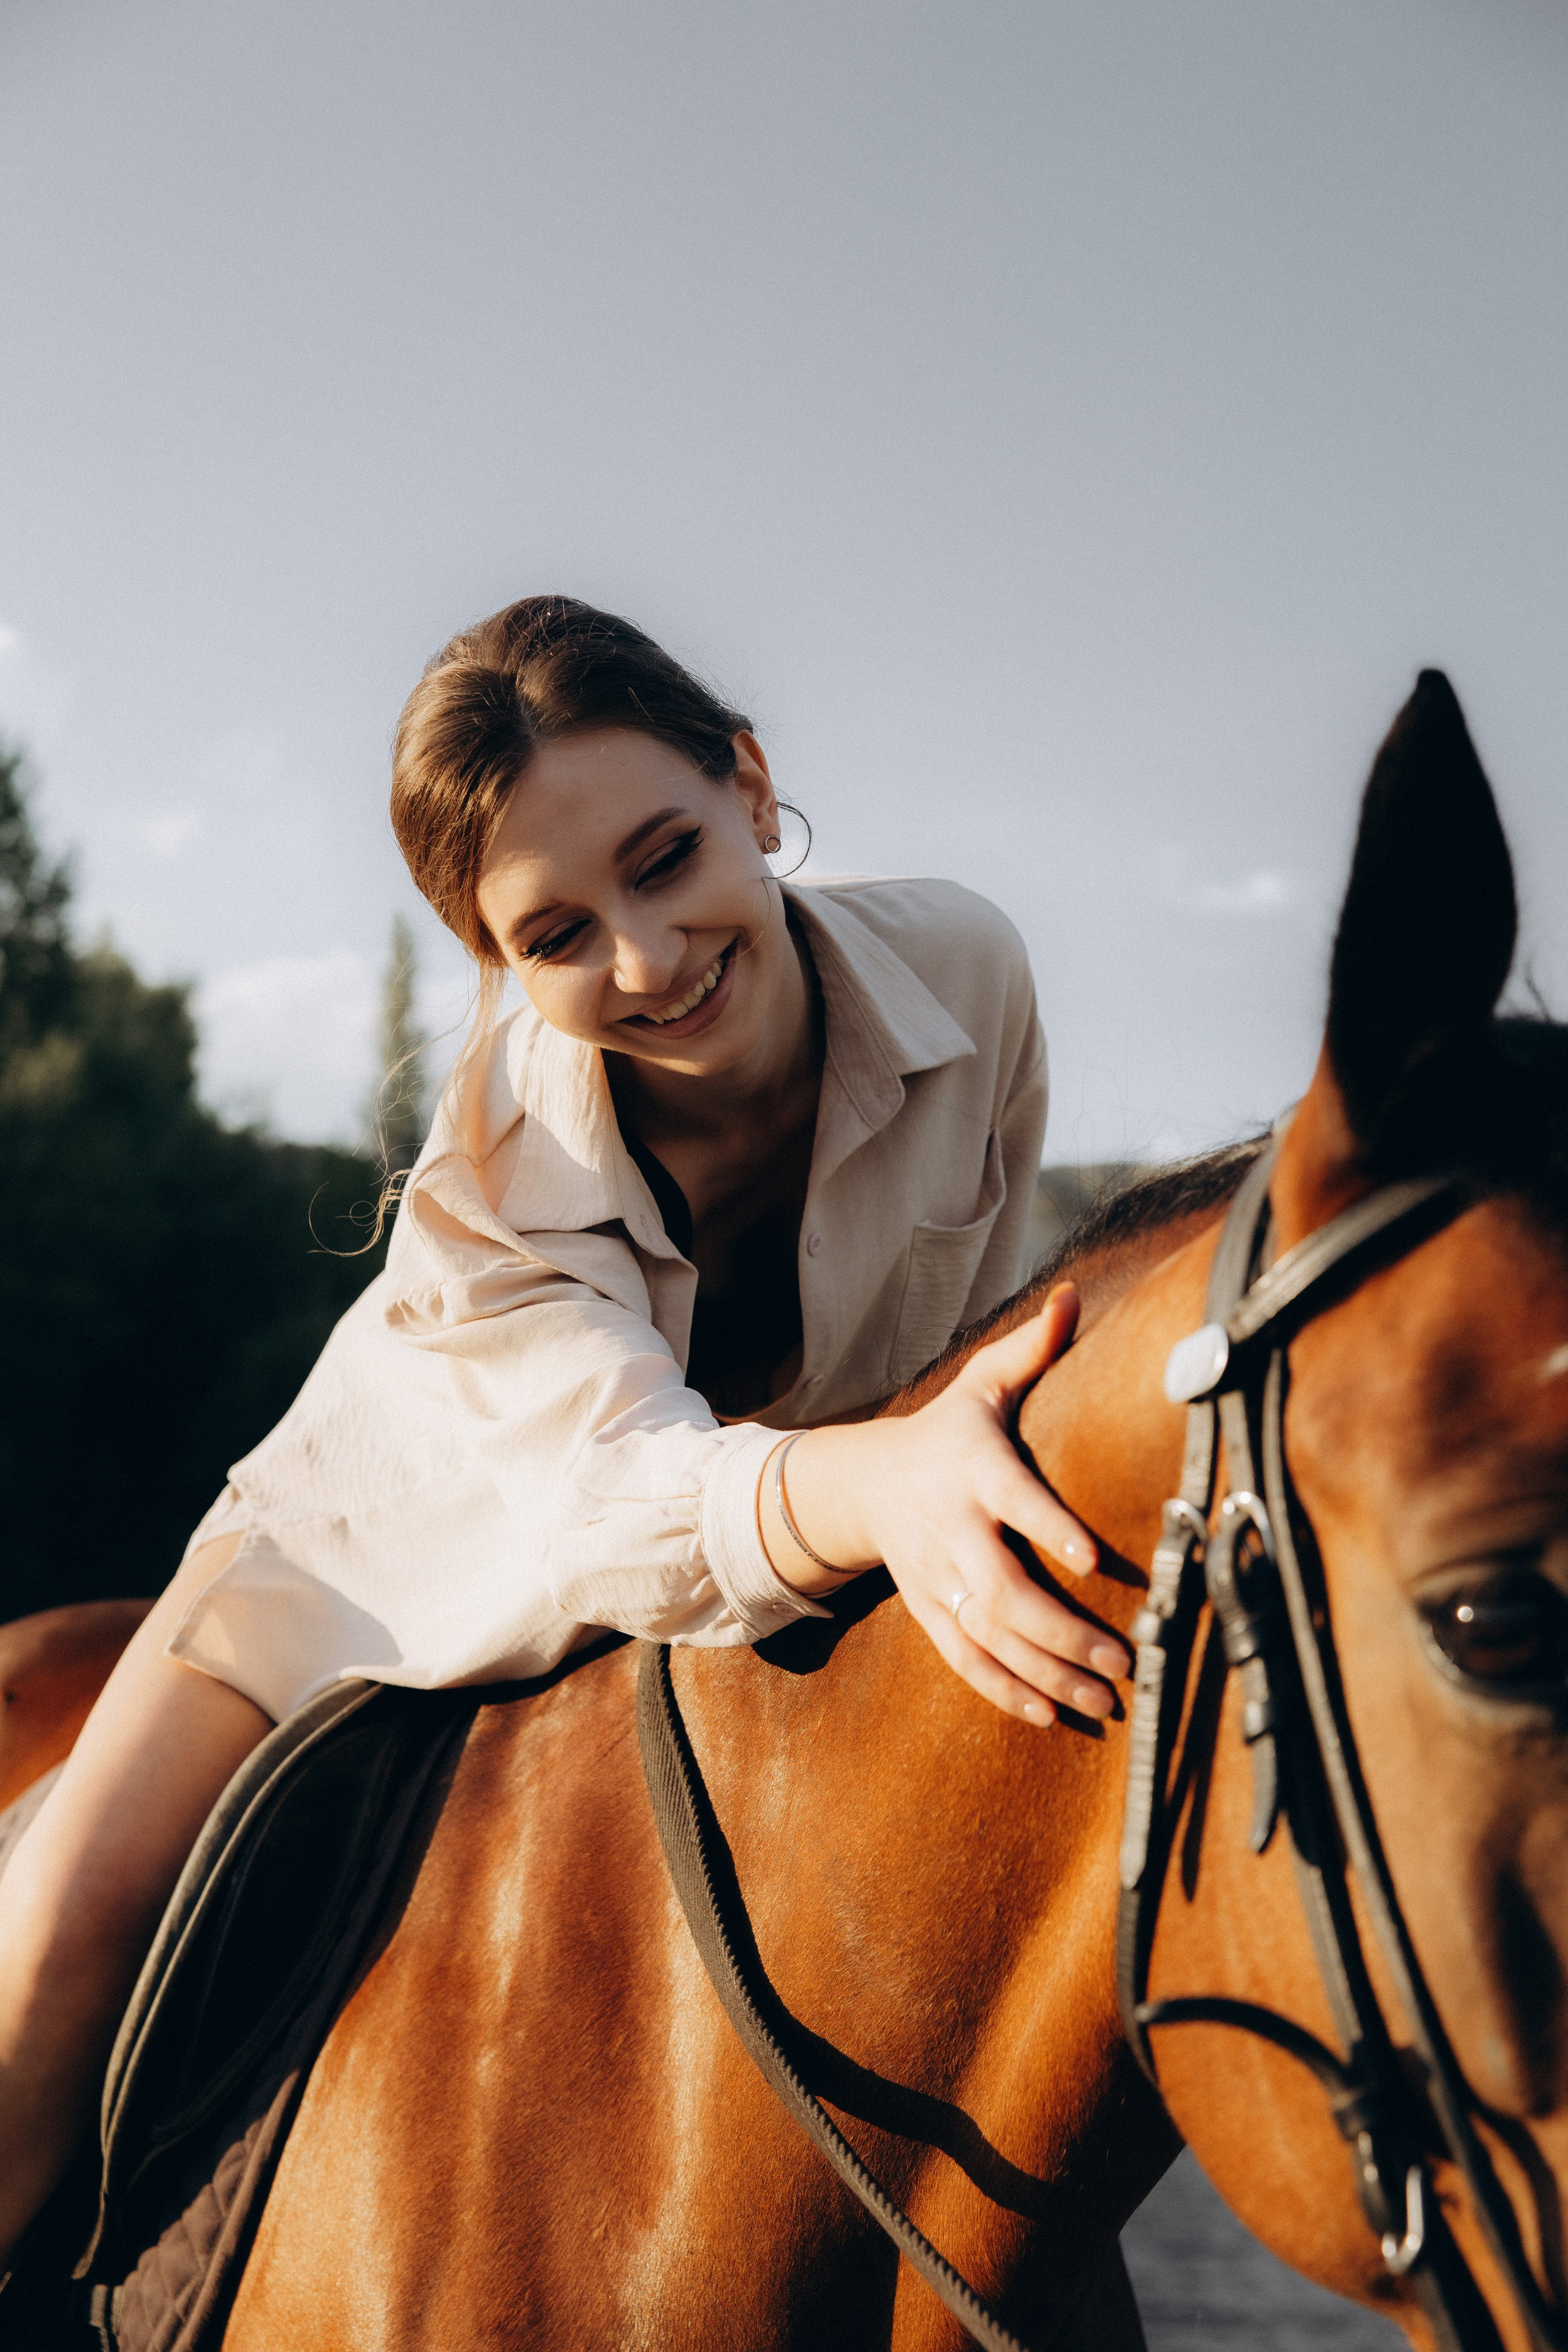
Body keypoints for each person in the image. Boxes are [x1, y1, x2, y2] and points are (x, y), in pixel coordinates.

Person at [0, 597, 1129, 2257]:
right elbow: (616, 1510)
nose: (646, 961)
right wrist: (879, 1477)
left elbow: (971, 1344)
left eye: (666, 858)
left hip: (789, 1569)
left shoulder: (972, 969)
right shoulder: (493, 1161)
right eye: (557, 934)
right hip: (351, 1583)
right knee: (50, 1964)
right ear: (495, 961)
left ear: (751, 785)